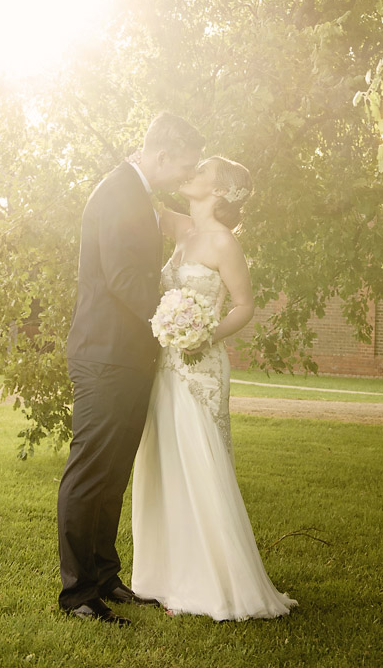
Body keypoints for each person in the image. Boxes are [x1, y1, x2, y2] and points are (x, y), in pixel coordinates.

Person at [131, 156, 297, 621]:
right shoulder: (181, 227)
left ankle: (214, 582)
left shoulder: (225, 243)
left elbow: (244, 306)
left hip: (201, 366)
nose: (190, 173)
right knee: (162, 460)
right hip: (166, 363)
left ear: (220, 190)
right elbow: (140, 198)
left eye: (200, 170)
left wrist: (204, 334)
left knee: (199, 460)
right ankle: (162, 577)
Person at [57, 112, 205, 624]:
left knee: (114, 473)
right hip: (104, 355)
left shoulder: (139, 193)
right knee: (90, 472)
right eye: (183, 168)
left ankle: (104, 574)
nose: (185, 178)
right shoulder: (119, 191)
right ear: (161, 156)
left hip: (128, 355)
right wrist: (174, 317)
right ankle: (78, 595)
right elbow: (122, 276)